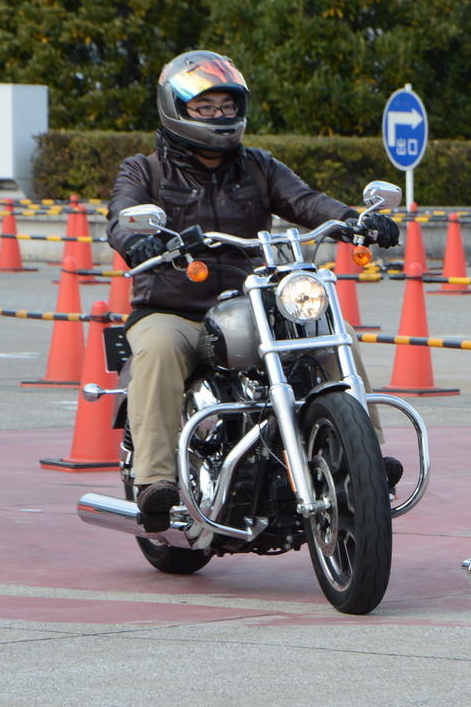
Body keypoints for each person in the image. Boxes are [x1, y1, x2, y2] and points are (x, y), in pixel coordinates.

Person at [105, 50, 401, 531]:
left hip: (249, 304)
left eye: (227, 105)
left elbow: (306, 201)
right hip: (173, 308)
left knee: (329, 331)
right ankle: (154, 480)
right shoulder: (145, 170)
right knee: (156, 351)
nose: (220, 116)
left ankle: (364, 453)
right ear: (176, 108)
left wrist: (356, 221)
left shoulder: (259, 166)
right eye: (206, 107)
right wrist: (139, 240)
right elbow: (121, 214)